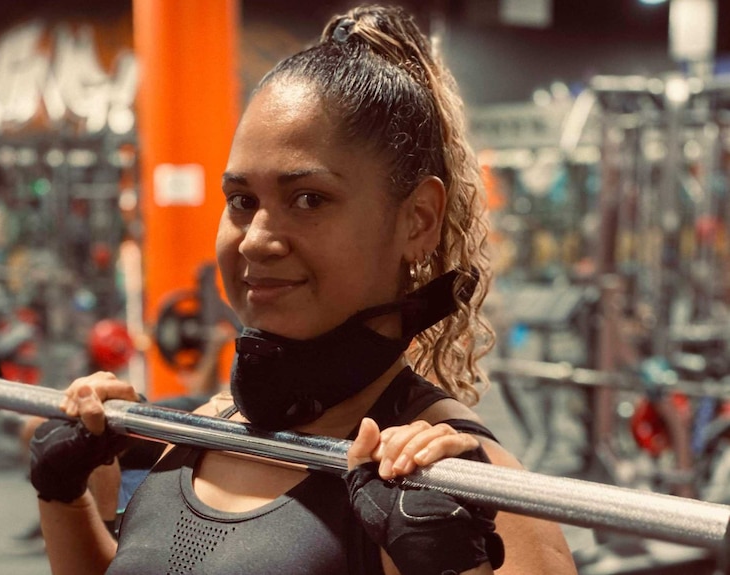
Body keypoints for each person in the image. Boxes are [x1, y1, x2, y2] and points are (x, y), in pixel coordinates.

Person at [30, 5, 577, 574]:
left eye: (309, 199)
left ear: (417, 220)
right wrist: (64, 496)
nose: (255, 241)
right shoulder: (202, 430)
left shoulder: (467, 489)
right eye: (242, 201)